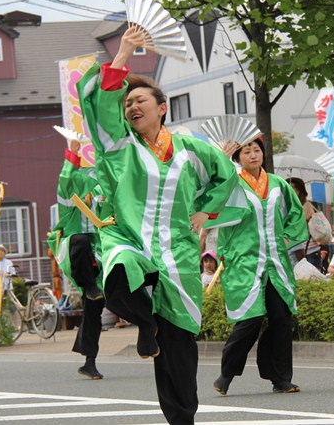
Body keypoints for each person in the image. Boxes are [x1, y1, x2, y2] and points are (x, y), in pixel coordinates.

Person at [77, 25, 237, 424]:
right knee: (116, 280)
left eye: (140, 100)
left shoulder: (191, 149)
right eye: (127, 102)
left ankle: (182, 418)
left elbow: (227, 177)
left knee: (179, 344)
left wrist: (205, 212)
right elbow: (100, 107)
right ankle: (145, 325)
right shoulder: (119, 146)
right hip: (129, 239)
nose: (132, 107)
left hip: (179, 250)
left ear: (162, 107)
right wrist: (124, 54)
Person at [212, 138, 308, 396]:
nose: (253, 155)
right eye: (247, 151)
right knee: (250, 319)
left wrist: (286, 238)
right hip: (245, 261)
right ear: (238, 157)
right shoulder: (232, 186)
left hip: (276, 262)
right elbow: (213, 206)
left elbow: (296, 214)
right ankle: (227, 374)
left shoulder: (278, 185)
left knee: (281, 319)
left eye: (257, 150)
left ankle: (280, 378)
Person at [50, 137, 107, 380]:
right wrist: (71, 156)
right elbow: (64, 186)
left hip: (104, 248)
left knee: (94, 308)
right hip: (76, 249)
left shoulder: (109, 183)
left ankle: (89, 361)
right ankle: (91, 286)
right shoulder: (71, 185)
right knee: (81, 241)